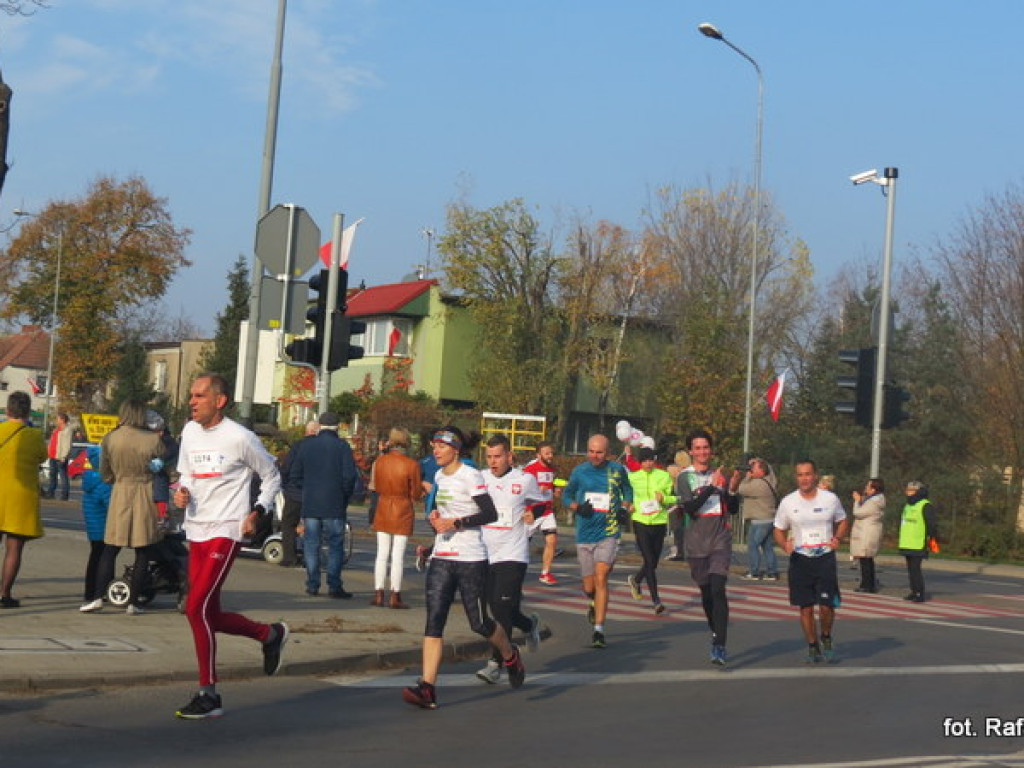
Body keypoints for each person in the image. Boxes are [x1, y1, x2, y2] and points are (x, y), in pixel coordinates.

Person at [173, 373, 286, 720]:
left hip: (226, 529)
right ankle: (269, 635)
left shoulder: (241, 438)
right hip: (197, 527)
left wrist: (258, 511)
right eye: (191, 395)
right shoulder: (190, 432)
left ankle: (209, 693)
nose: (192, 401)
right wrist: (183, 491)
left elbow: (271, 476)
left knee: (194, 608)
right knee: (206, 612)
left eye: (199, 396)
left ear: (219, 401)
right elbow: (187, 474)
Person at [403, 426, 525, 710]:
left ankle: (509, 653)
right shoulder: (437, 476)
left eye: (441, 447)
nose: (435, 451)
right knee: (434, 621)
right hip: (443, 557)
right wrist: (437, 522)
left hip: (471, 558)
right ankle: (427, 688)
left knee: (480, 623)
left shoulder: (471, 476)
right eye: (433, 446)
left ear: (455, 449)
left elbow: (489, 513)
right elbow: (444, 516)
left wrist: (456, 523)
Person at [476, 434, 544, 684]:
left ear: (509, 456)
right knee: (495, 608)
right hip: (484, 552)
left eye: (498, 457)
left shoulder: (524, 479)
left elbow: (542, 503)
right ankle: (528, 625)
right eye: (489, 457)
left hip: (513, 552)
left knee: (501, 607)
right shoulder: (480, 479)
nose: (493, 462)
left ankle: (496, 663)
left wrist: (531, 512)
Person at [773, 459, 850, 663]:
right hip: (800, 559)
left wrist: (838, 538)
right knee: (805, 607)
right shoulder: (788, 502)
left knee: (826, 605)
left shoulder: (830, 499)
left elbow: (842, 521)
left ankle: (826, 636)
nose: (804, 479)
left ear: (815, 476)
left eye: (808, 474)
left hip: (824, 557)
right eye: (800, 475)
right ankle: (812, 645)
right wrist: (784, 545)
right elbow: (778, 529)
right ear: (796, 477)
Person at [675, 429, 739, 666]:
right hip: (695, 543)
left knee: (718, 589)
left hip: (720, 539)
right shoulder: (684, 478)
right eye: (697, 448)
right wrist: (712, 488)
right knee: (706, 592)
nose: (702, 452)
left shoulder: (720, 474)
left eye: (706, 447)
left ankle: (720, 645)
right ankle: (715, 631)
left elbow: (732, 508)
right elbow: (690, 508)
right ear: (691, 451)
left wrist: (731, 490)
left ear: (711, 450)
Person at [95, 399, 164, 615]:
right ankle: (133, 602)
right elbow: (163, 469)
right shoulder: (153, 440)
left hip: (121, 492)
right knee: (143, 551)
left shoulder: (111, 438)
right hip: (144, 492)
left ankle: (97, 596)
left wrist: (115, 477)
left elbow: (105, 473)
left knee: (110, 548)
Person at [564, 433, 632, 649]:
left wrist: (624, 508)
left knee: (602, 576)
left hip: (608, 531)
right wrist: (577, 507)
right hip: (585, 533)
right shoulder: (579, 471)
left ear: (608, 452)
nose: (595, 456)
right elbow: (566, 496)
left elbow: (628, 491)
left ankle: (599, 630)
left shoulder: (616, 470)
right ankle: (592, 601)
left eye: (599, 452)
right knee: (589, 585)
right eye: (591, 451)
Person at [289, 412, 358, 599]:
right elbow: (350, 477)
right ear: (337, 427)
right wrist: (343, 494)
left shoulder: (307, 446)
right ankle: (334, 585)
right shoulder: (342, 447)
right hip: (334, 503)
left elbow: (294, 475)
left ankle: (312, 584)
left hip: (311, 502)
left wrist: (308, 489)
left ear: (319, 425)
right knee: (335, 544)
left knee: (311, 544)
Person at [0, 391, 48, 608]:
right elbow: (42, 457)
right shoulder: (34, 436)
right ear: (27, 411)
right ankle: (4, 594)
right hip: (21, 498)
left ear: (8, 410)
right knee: (14, 548)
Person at [370, 427, 423, 609]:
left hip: (383, 506)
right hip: (402, 509)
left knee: (381, 554)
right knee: (398, 555)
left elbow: (376, 486)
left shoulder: (381, 461)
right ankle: (395, 595)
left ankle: (378, 593)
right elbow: (416, 493)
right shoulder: (411, 465)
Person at [626, 446, 675, 614]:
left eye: (651, 460)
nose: (648, 463)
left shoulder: (663, 476)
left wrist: (664, 498)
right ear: (640, 462)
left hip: (659, 520)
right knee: (648, 560)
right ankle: (656, 601)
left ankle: (636, 579)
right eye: (645, 460)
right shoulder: (633, 477)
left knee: (653, 562)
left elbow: (673, 498)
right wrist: (628, 504)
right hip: (640, 520)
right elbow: (623, 494)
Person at [732, 457, 780, 581]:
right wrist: (757, 461)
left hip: (760, 521)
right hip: (769, 519)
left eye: (754, 468)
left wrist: (747, 477)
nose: (751, 469)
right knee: (767, 546)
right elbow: (769, 468)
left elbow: (741, 489)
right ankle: (772, 572)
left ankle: (754, 571)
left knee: (752, 545)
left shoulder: (758, 484)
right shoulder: (771, 480)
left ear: (761, 471)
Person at [278, 420, 318, 568]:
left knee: (288, 523)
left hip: (295, 492)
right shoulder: (322, 448)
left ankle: (289, 557)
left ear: (307, 431)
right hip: (315, 494)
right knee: (313, 525)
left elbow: (286, 467)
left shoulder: (298, 446)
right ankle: (311, 558)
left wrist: (286, 486)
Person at [522, 440, 561, 585]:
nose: (550, 456)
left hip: (547, 510)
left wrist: (555, 489)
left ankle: (545, 573)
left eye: (551, 453)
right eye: (547, 453)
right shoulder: (530, 470)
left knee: (552, 540)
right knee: (522, 545)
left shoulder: (552, 469)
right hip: (532, 512)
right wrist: (538, 490)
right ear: (539, 455)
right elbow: (522, 489)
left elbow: (552, 484)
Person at [79, 445, 112, 612]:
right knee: (104, 558)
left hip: (94, 527)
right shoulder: (104, 482)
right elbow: (110, 504)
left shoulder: (88, 479)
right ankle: (98, 590)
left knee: (95, 557)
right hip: (104, 526)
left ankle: (90, 591)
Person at [899, 480, 938, 603]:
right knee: (910, 569)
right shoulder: (907, 505)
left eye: (911, 490)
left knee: (916, 569)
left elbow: (931, 524)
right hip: (907, 542)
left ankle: (920, 593)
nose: (907, 492)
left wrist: (932, 538)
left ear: (918, 491)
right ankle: (913, 591)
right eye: (907, 490)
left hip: (918, 542)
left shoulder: (925, 505)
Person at [850, 478, 885, 593]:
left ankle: (867, 585)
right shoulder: (872, 500)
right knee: (867, 559)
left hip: (867, 532)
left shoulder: (873, 502)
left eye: (868, 487)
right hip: (868, 531)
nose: (866, 488)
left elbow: (858, 513)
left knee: (865, 559)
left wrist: (856, 501)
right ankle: (868, 583)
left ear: (874, 489)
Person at [147, 411, 179, 521]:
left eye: (161, 431)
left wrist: (162, 460)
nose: (159, 434)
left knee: (160, 482)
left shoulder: (167, 440)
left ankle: (162, 513)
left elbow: (173, 450)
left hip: (160, 473)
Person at [665, 448, 691, 560]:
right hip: (685, 504)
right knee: (682, 530)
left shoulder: (679, 474)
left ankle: (678, 552)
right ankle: (680, 551)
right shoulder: (690, 472)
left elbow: (675, 490)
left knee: (677, 530)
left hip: (677, 505)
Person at [45, 412, 72, 500]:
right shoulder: (56, 430)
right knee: (52, 474)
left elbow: (67, 444)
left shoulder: (67, 430)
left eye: (58, 419)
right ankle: (51, 492)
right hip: (53, 455)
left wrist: (64, 456)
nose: (57, 421)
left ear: (62, 420)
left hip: (60, 456)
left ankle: (64, 494)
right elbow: (52, 441)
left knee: (63, 475)